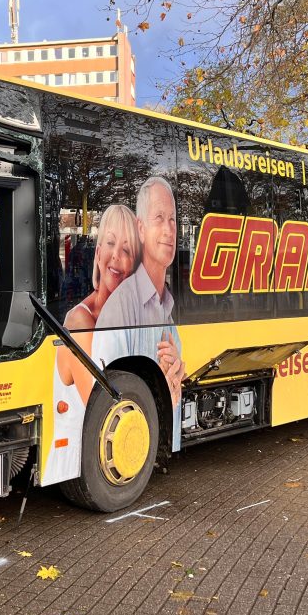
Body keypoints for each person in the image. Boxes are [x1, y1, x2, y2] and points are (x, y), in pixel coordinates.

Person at [44, 204, 139, 483]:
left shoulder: (119, 318)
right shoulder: (80, 320)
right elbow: (100, 407)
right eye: (110, 243)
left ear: (134, 266)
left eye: (127, 250)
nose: (116, 256)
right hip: (76, 462)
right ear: (97, 254)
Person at [93, 176, 186, 436]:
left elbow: (175, 386)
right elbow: (104, 399)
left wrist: (175, 381)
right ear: (141, 229)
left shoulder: (166, 307)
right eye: (159, 218)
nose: (169, 230)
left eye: (172, 219)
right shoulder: (120, 309)